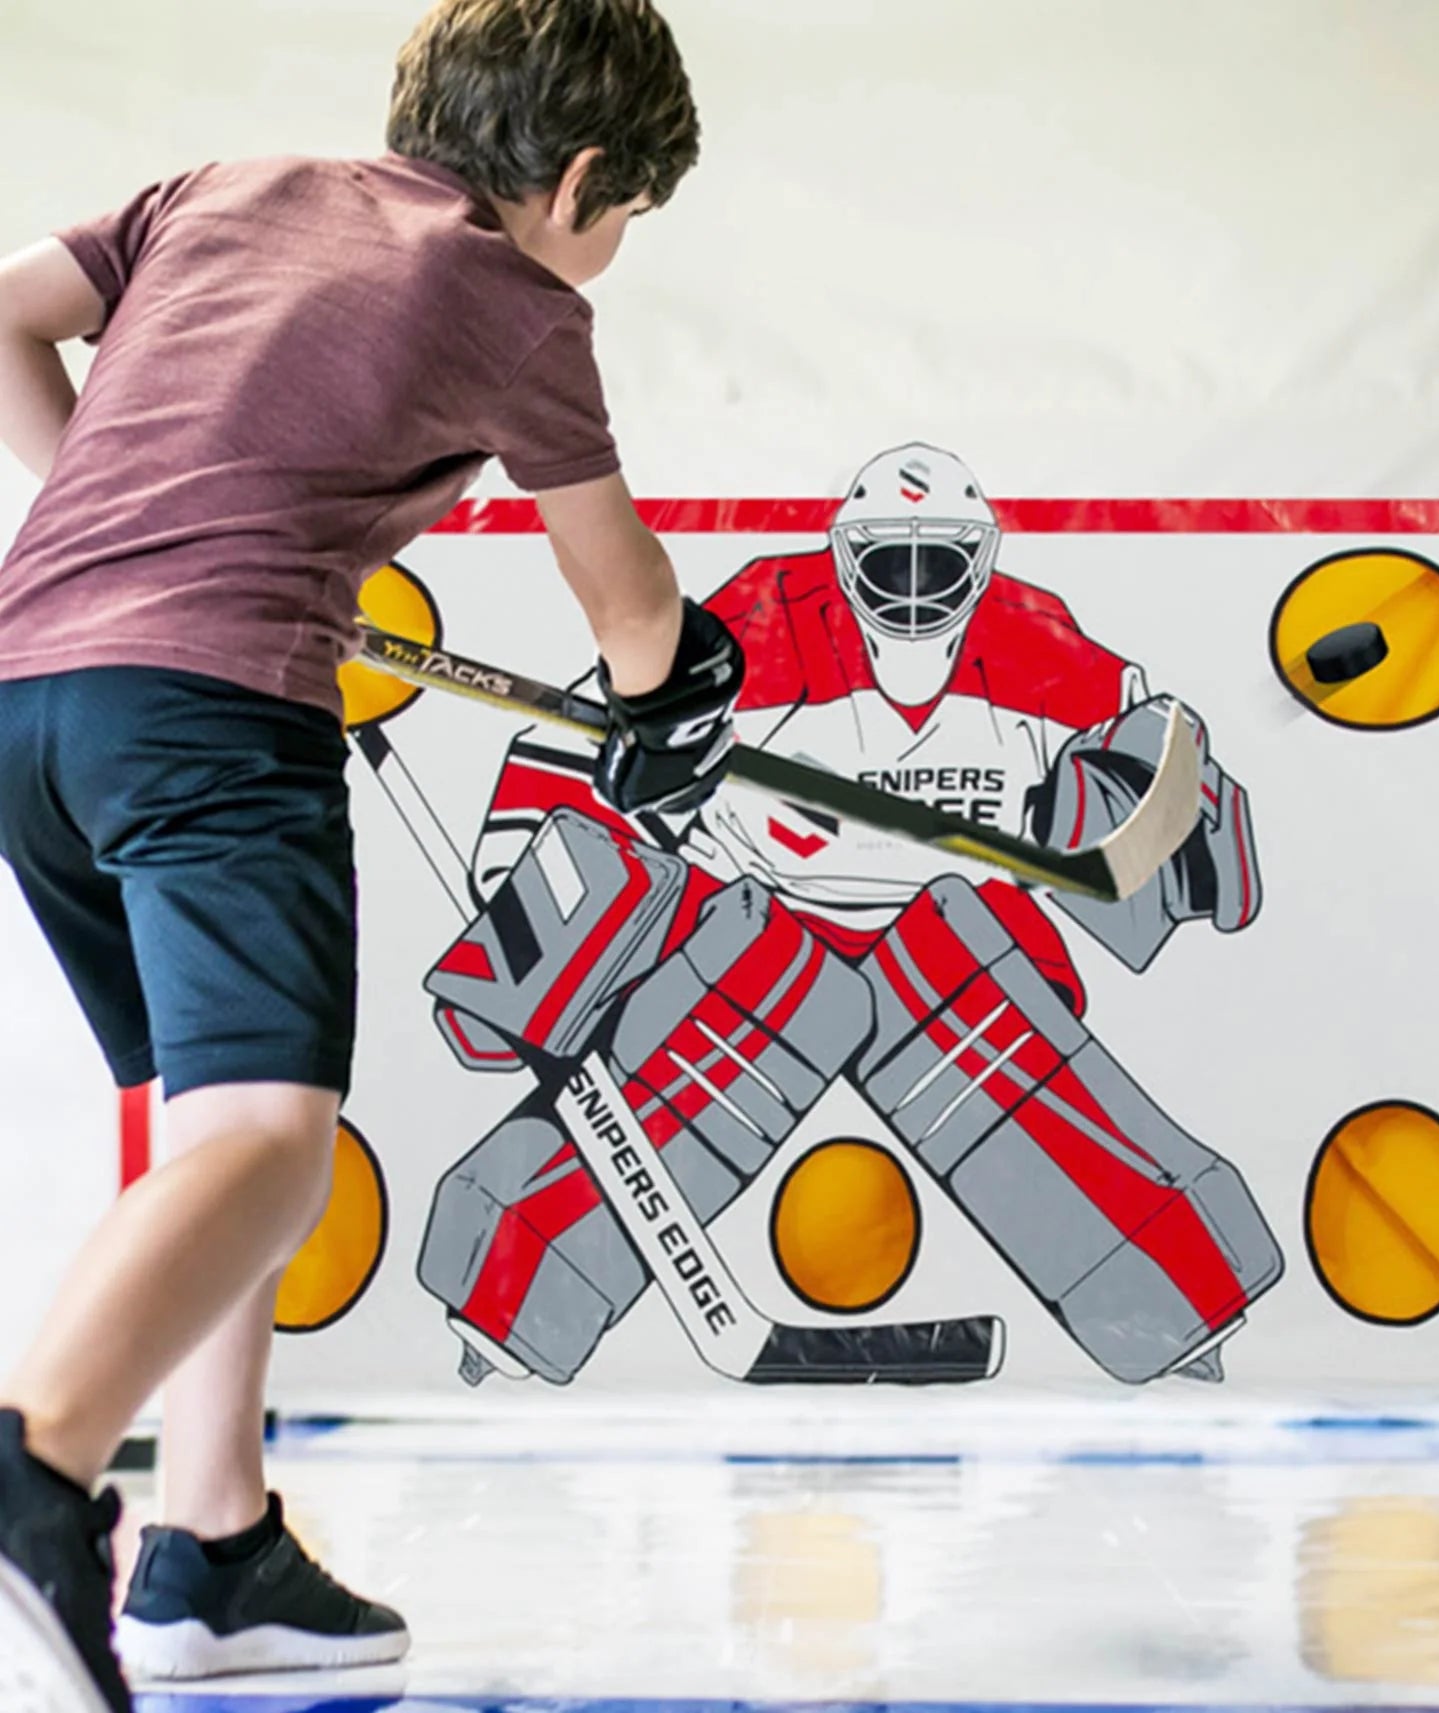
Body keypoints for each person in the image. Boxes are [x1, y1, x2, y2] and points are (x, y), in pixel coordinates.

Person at [0, 1, 741, 1706]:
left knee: (212, 1120)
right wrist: (670, 693)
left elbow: (4, 301)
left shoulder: (228, 189)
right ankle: (36, 1472)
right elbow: (627, 604)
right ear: (575, 180)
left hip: (37, 694)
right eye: (626, 218)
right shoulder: (516, 304)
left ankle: (210, 1541)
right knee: (270, 1142)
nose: (609, 253)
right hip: (207, 717)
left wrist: (108, 532)